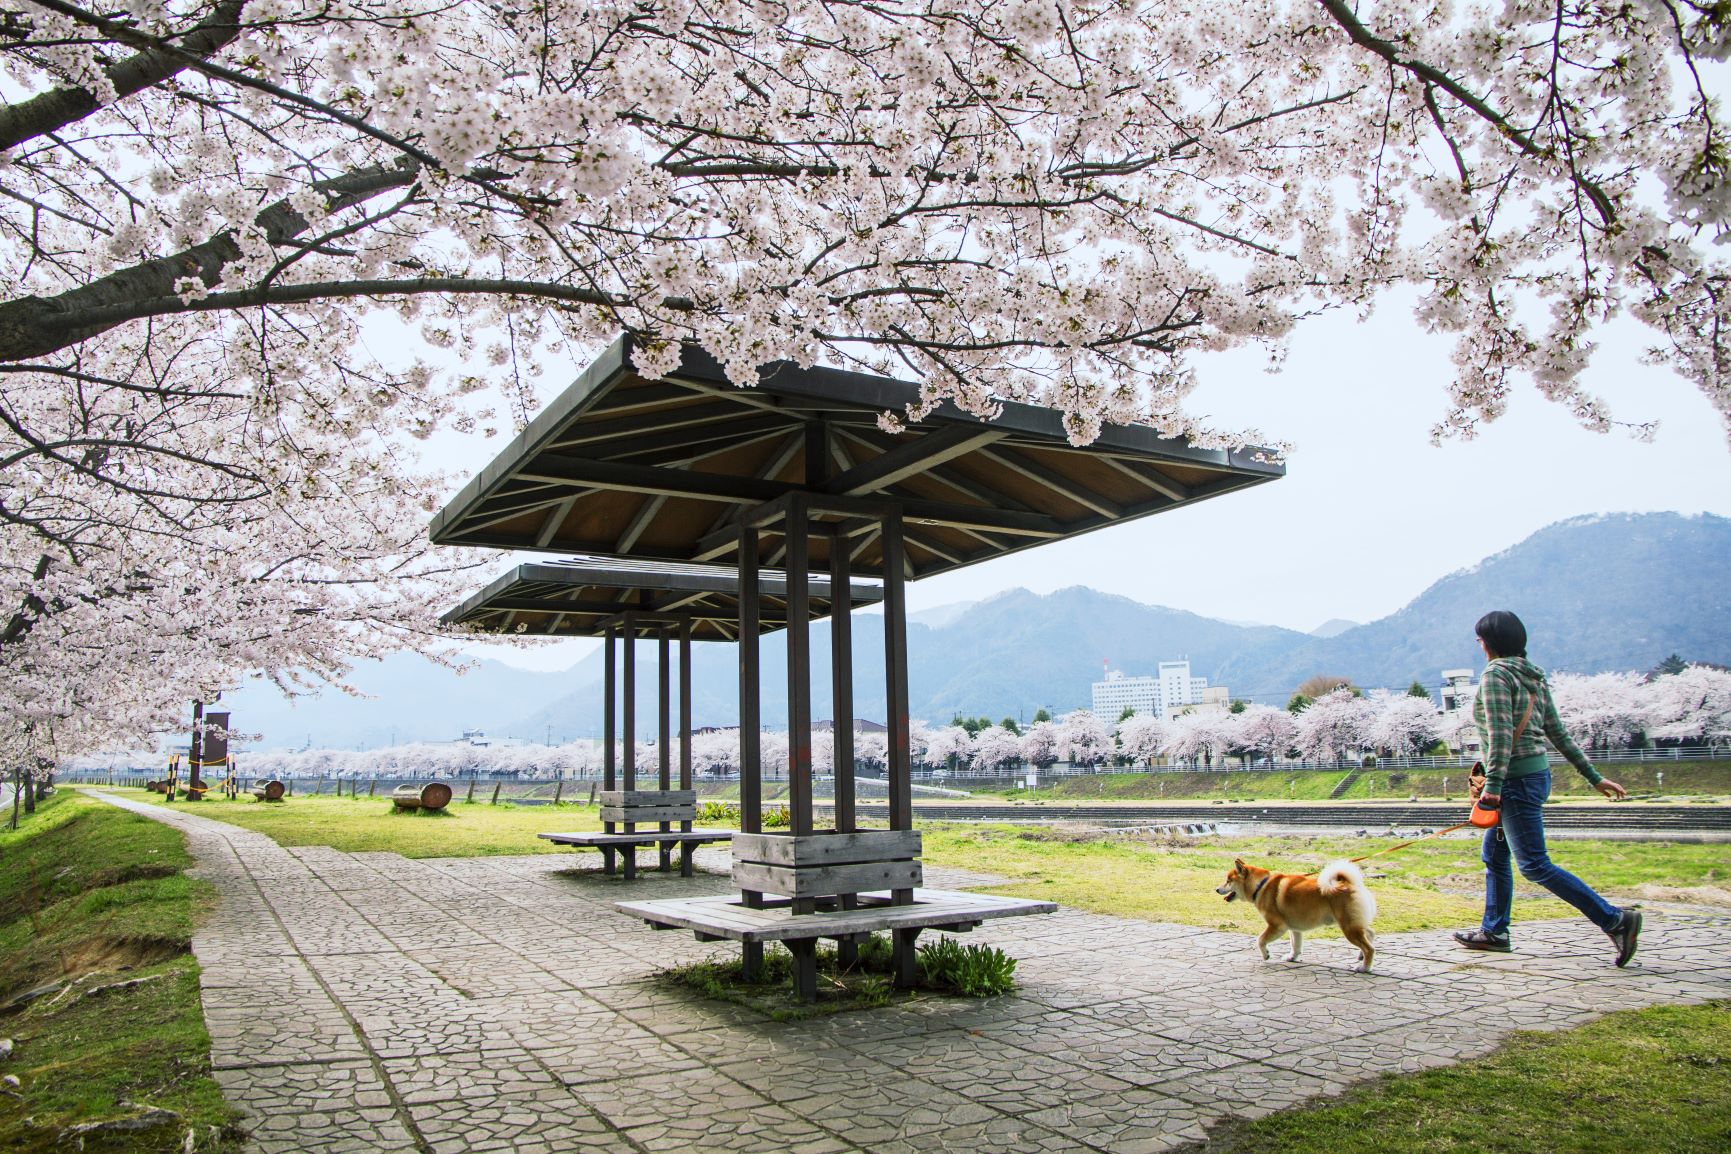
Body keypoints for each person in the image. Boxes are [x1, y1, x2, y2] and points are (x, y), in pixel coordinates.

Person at [1453, 610, 1643, 966]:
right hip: (1535, 776)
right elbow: (1558, 732)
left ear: (1489, 642)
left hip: (1513, 782)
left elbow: (1500, 736)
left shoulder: (1496, 675)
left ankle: (1615, 920)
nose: (1479, 646)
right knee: (1495, 855)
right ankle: (1494, 931)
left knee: (1534, 864)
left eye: (1479, 640)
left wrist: (1493, 786)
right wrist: (1593, 776)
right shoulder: (1532, 676)